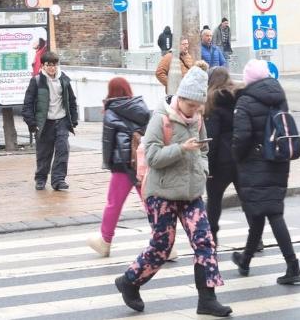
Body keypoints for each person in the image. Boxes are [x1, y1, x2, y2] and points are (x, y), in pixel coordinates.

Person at [114, 65, 232, 317]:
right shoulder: (162, 118)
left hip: (191, 193)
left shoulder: (198, 118)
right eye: (192, 106)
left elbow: (204, 150)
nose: (196, 111)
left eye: (200, 107)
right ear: (181, 99)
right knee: (161, 247)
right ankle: (129, 282)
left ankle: (207, 299)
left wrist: (201, 168)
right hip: (162, 194)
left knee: (205, 241)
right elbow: (153, 156)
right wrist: (182, 149)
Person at [230, 59, 300, 285]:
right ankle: (245, 259)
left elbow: (241, 138)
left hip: (255, 163)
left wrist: (236, 158)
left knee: (271, 213)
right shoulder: (279, 96)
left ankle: (293, 266)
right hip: (278, 160)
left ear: (248, 79)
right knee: (260, 212)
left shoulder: (245, 101)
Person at [88, 77, 152, 257]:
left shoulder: (111, 111)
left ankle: (105, 241)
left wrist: (108, 163)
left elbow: (107, 142)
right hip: (140, 161)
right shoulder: (142, 108)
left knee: (114, 204)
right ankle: (165, 242)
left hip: (121, 164)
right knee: (150, 201)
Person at [22, 51, 79, 191]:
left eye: (54, 65)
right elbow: (27, 104)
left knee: (62, 150)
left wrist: (74, 118)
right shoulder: (36, 81)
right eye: (49, 65)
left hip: (61, 121)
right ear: (43, 66)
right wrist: (32, 123)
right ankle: (41, 179)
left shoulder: (64, 80)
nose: (52, 68)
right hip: (44, 123)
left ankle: (58, 180)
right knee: (44, 153)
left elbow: (71, 100)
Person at [204, 67, 240, 244]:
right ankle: (256, 238)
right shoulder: (239, 98)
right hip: (240, 157)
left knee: (214, 200)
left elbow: (212, 138)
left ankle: (213, 236)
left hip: (220, 162)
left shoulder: (212, 102)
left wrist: (208, 167)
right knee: (246, 199)